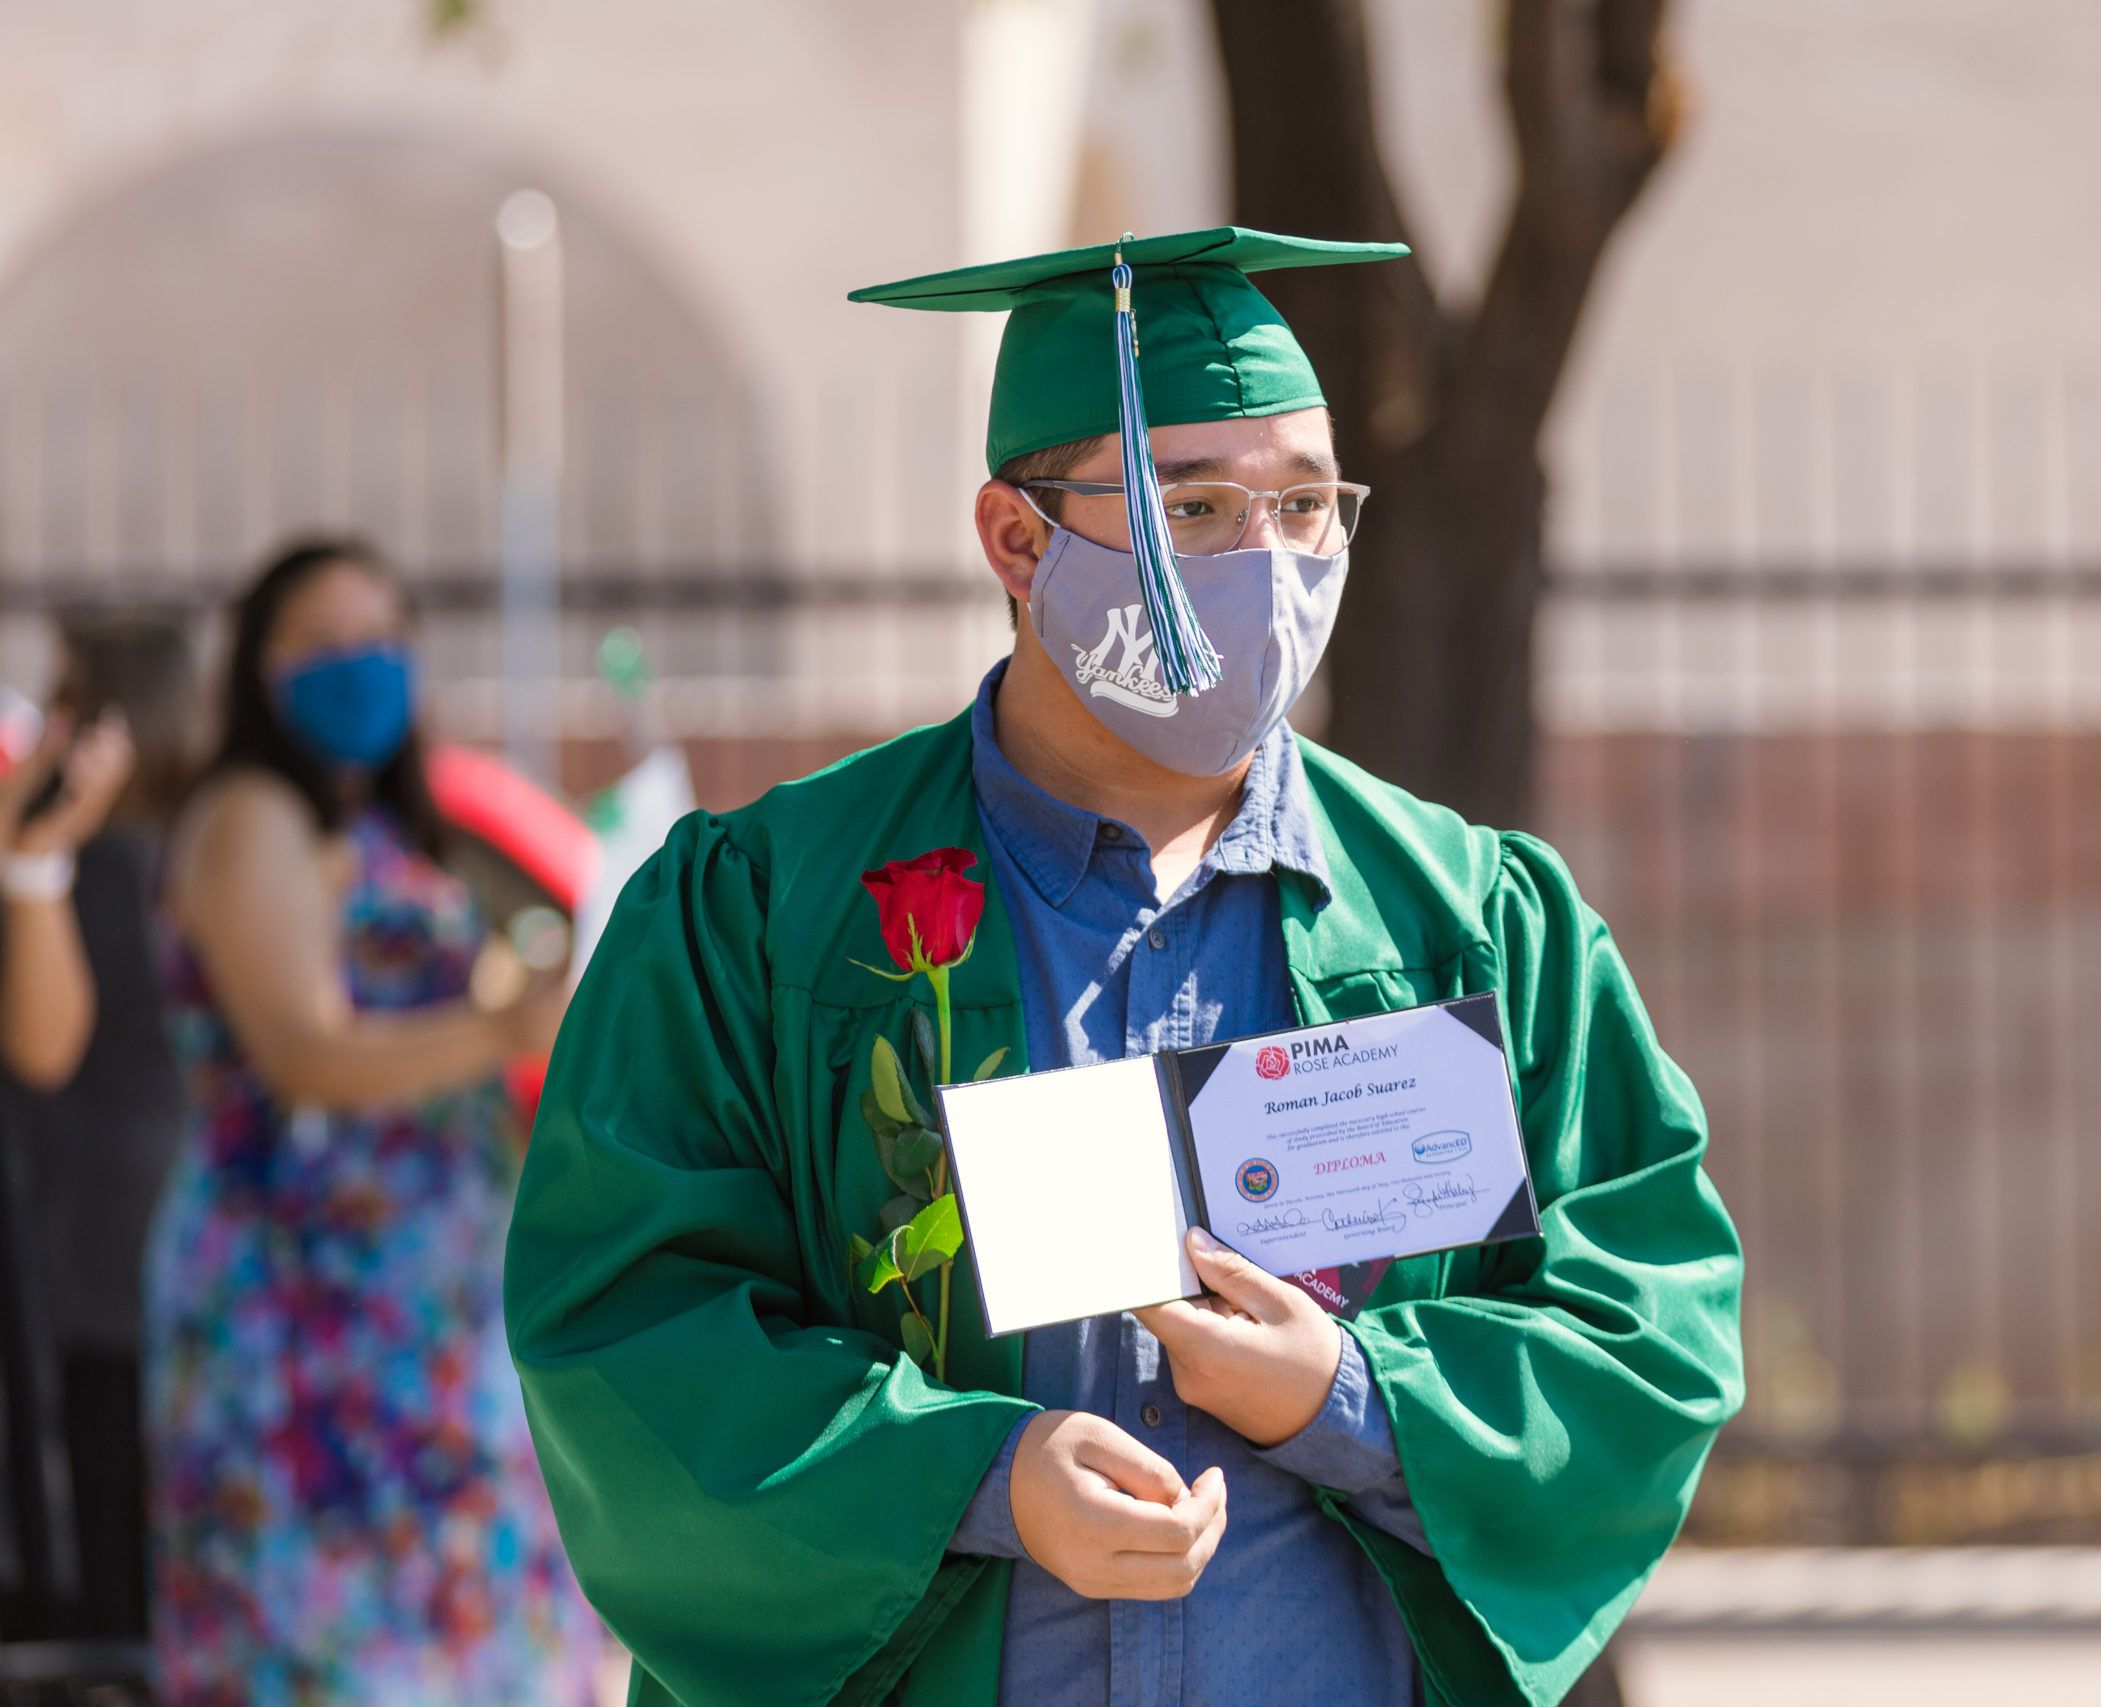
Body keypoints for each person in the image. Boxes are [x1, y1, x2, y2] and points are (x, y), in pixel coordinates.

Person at [507, 229, 1744, 1707]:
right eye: (1197, 508)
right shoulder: (769, 914)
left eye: (1305, 503)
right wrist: (980, 1473)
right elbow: (630, 1333)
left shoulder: (1470, 918)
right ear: (1019, 542)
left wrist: (1349, 1397)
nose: (1268, 563)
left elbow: (1646, 1326)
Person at [144, 538, 603, 1704]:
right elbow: (305, 1051)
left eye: (381, 638)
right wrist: (507, 1028)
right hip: (307, 1315)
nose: (361, 668)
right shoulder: (250, 814)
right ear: (260, 666)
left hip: (427, 1317)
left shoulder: (383, 824)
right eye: (324, 643)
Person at [0, 613, 187, 1646]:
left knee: (101, 1586)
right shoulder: (164, 859)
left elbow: (43, 1049)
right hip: (134, 1261)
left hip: (91, 1268)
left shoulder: (97, 867)